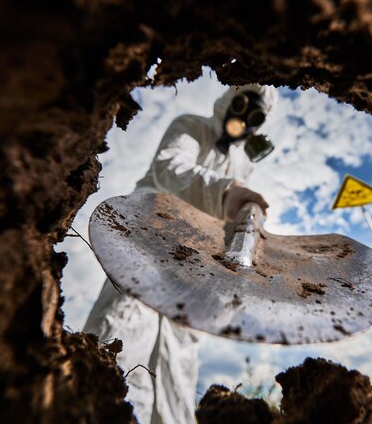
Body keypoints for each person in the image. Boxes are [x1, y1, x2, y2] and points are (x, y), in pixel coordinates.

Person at [84, 84, 278, 424]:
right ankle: (93, 410)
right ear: (229, 99)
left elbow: (227, 223)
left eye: (255, 114)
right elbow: (169, 168)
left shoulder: (241, 164)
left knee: (178, 358)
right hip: (151, 234)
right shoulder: (191, 126)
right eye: (241, 104)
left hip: (194, 262)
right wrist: (225, 191)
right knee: (122, 325)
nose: (243, 117)